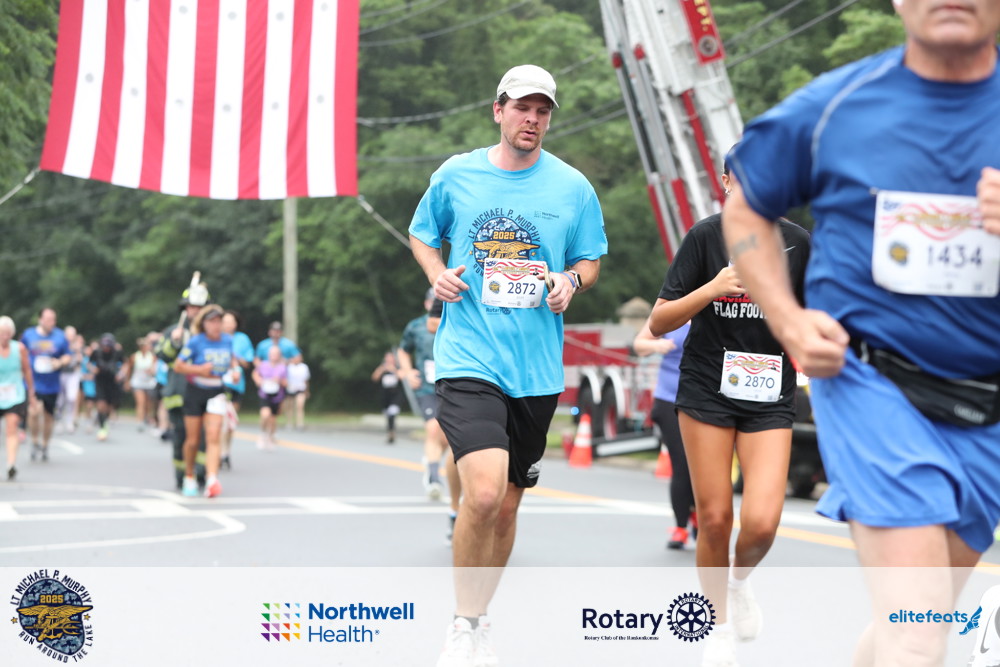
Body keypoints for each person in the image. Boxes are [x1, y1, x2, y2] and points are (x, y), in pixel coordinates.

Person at [722, 3, 1000, 665]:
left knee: (920, 618)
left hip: (989, 407)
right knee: (918, 634)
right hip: (873, 382)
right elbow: (747, 208)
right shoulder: (834, 108)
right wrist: (789, 320)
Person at [408, 64, 607, 667]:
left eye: (542, 110)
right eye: (522, 107)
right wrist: (436, 273)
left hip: (536, 370)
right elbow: (423, 235)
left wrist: (570, 281)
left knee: (509, 504)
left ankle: (479, 618)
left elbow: (589, 261)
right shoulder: (456, 175)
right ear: (498, 110)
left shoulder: (572, 187)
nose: (532, 119)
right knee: (486, 492)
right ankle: (462, 623)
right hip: (469, 357)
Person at [649, 161, 810, 666]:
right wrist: (712, 288)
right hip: (706, 390)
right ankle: (716, 626)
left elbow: (813, 316)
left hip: (769, 392)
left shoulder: (798, 243)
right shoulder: (705, 237)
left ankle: (738, 583)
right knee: (716, 519)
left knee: (761, 524)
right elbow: (657, 322)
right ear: (726, 182)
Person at [632, 319, 695, 550]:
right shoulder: (673, 311)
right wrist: (657, 346)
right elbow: (639, 344)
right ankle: (681, 527)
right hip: (670, 400)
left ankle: (698, 512)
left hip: (703, 403)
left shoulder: (716, 310)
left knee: (702, 465)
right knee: (682, 463)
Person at [172, 304, 233, 498]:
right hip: (195, 391)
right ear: (203, 323)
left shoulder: (227, 341)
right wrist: (199, 370)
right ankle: (189, 475)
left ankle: (212, 479)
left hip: (216, 391)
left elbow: (232, 361)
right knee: (193, 440)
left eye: (219, 321)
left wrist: (235, 371)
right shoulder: (196, 341)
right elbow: (178, 366)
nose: (216, 325)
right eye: (212, 321)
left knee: (213, 436)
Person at [156, 282, 211, 490]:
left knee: (203, 437)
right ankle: (181, 475)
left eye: (199, 307)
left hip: (205, 392)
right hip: (179, 393)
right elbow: (162, 356)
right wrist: (174, 343)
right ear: (185, 309)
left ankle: (201, 472)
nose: (195, 311)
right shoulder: (174, 331)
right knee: (180, 436)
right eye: (191, 307)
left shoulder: (211, 334)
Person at [397, 288, 447, 500]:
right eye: (432, 302)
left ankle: (431, 460)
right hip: (426, 387)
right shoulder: (416, 326)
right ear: (427, 304)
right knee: (433, 428)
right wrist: (408, 372)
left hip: (451, 386)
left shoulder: (455, 323)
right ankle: (434, 478)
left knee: (447, 436)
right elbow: (403, 350)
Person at [21, 307, 70, 462]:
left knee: (49, 416)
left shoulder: (60, 336)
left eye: (53, 319)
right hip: (33, 382)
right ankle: (35, 441)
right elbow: (20, 352)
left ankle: (45, 445)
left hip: (52, 383)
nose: (52, 322)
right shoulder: (28, 335)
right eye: (49, 319)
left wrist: (59, 362)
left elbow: (68, 356)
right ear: (40, 319)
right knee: (33, 412)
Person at [0, 316, 33, 481]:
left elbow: (27, 370)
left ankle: (11, 464)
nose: (5, 337)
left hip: (14, 395)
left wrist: (31, 392)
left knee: (12, 427)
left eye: (8, 333)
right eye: (2, 333)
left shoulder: (19, 348)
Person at [221, 310, 255, 468]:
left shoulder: (242, 339)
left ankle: (226, 452)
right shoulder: (215, 337)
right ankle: (218, 452)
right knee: (220, 419)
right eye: (225, 321)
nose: (228, 325)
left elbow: (247, 363)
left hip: (236, 383)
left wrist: (235, 358)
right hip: (218, 384)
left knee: (230, 421)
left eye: (231, 321)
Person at [252, 344, 287, 450]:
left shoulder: (282, 367)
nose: (274, 356)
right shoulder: (263, 365)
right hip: (264, 394)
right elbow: (255, 374)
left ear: (279, 355)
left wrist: (279, 380)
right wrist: (259, 381)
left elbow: (286, 383)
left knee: (272, 419)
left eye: (276, 354)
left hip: (277, 396)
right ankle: (262, 434)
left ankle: (270, 437)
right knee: (265, 414)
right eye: (272, 354)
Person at [90, 333, 124, 441]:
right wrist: (93, 369)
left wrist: (121, 374)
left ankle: (104, 422)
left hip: (112, 382)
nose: (106, 348)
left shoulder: (117, 353)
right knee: (101, 405)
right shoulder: (96, 352)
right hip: (100, 381)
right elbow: (89, 363)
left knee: (109, 407)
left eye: (108, 346)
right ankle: (102, 428)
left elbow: (125, 364)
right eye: (104, 346)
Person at [126, 335, 158, 432]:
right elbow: (129, 369)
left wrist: (151, 371)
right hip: (137, 382)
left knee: (148, 404)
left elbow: (155, 369)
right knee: (141, 402)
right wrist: (127, 381)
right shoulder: (134, 357)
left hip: (149, 382)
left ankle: (146, 417)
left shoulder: (152, 357)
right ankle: (139, 421)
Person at [371, 351, 401, 444]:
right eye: (387, 358)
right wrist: (382, 369)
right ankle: (390, 431)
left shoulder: (397, 368)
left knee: (392, 413)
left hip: (395, 395)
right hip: (385, 395)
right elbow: (374, 378)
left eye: (390, 358)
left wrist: (393, 370)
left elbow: (401, 377)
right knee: (388, 415)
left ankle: (392, 433)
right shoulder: (382, 368)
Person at [285, 358, 311, 431]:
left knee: (300, 406)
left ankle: (300, 423)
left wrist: (307, 390)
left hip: (301, 389)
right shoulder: (288, 367)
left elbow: (306, 379)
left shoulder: (304, 367)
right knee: (290, 407)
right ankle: (289, 423)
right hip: (290, 389)